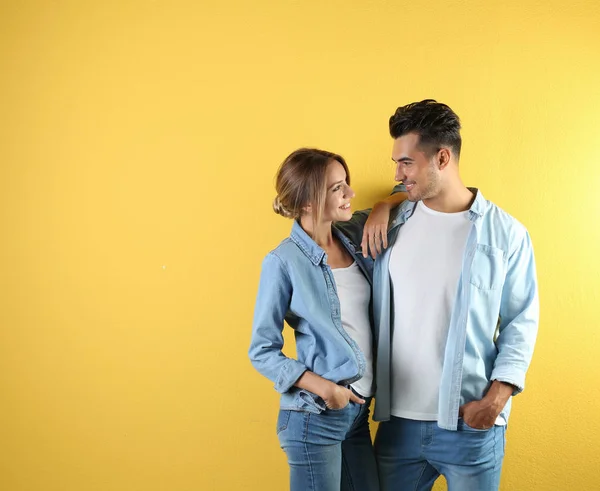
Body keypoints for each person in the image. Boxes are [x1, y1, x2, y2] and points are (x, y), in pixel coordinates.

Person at [365, 99, 539, 491]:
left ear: (442, 158)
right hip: (396, 426)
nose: (397, 173)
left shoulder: (507, 234)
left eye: (406, 162)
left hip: (470, 424)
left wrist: (497, 400)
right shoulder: (391, 225)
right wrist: (383, 203)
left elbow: (521, 322)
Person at [248, 148, 405, 491]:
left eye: (346, 184)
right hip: (315, 417)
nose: (350, 193)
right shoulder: (283, 262)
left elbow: (406, 194)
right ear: (307, 203)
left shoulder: (353, 234)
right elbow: (261, 350)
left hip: (357, 414)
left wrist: (381, 208)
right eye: (337, 189)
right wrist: (325, 389)